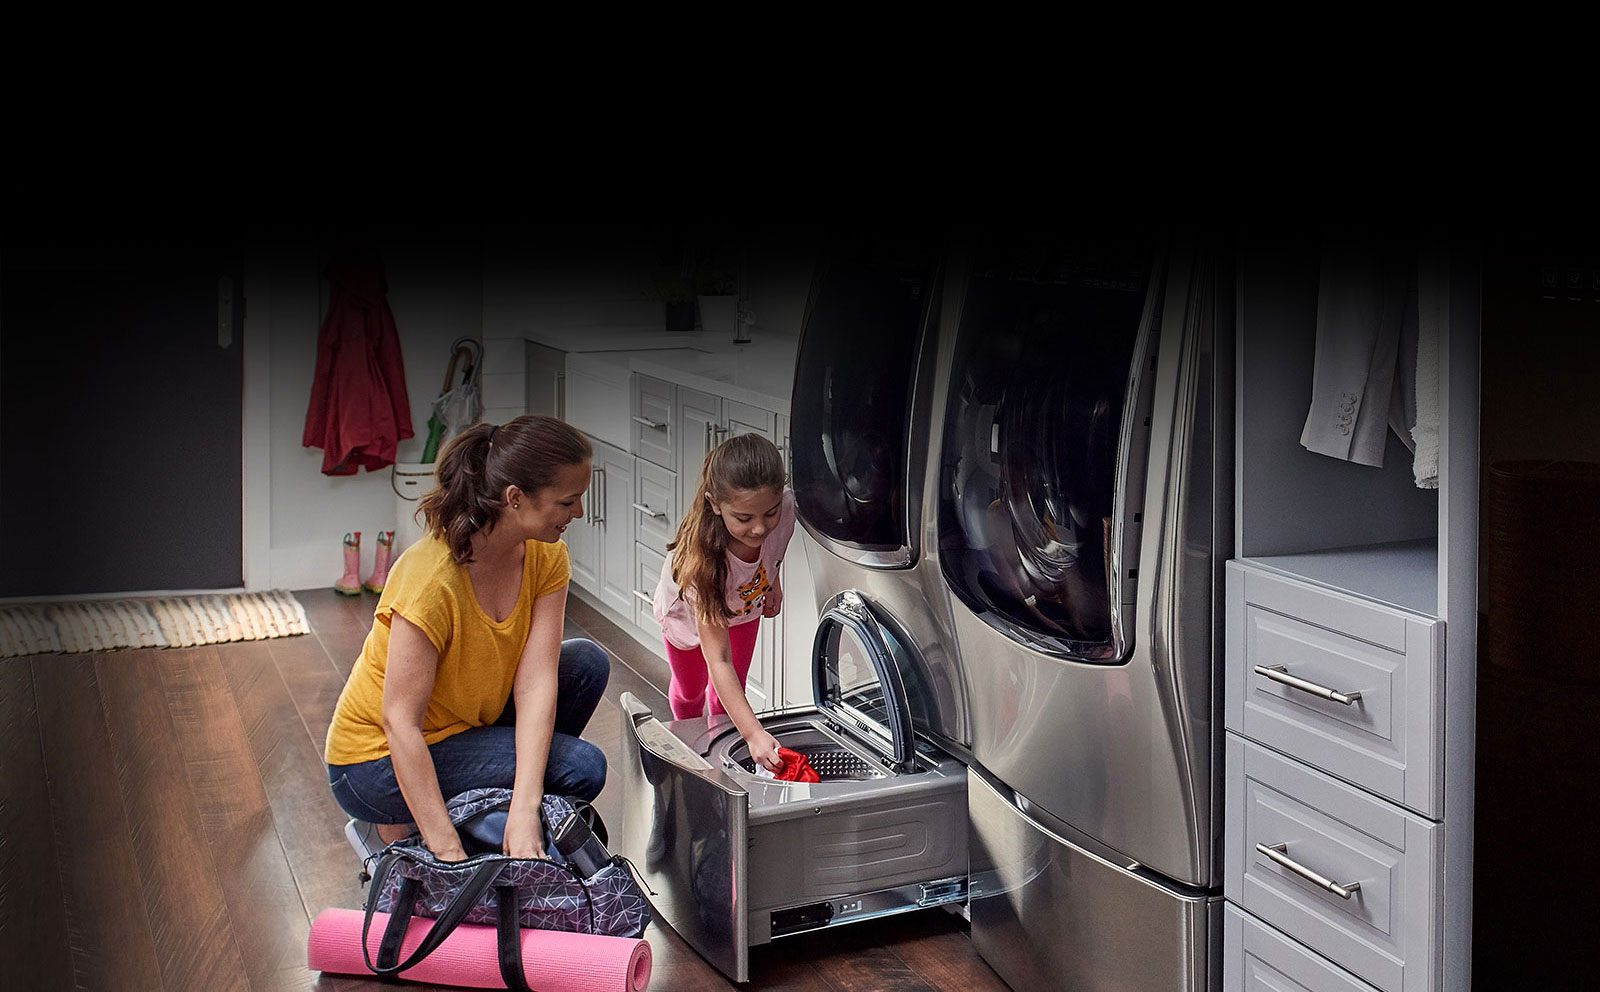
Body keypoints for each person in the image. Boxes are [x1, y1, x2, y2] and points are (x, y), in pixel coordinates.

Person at [324, 415, 608, 862]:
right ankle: (393, 833)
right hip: (374, 762)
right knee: (580, 768)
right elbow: (400, 723)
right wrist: (447, 854)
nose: (579, 513)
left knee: (587, 664)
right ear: (515, 498)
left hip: (463, 726)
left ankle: (491, 810)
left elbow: (535, 681)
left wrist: (524, 807)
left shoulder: (545, 553)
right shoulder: (430, 580)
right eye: (568, 501)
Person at [652, 433, 795, 772]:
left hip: (745, 606)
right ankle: (686, 746)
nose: (760, 528)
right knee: (690, 692)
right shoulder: (704, 568)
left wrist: (773, 581)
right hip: (687, 620)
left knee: (730, 693)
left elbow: (776, 548)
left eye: (769, 513)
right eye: (744, 519)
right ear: (715, 505)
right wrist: (755, 733)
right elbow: (718, 660)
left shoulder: (786, 507)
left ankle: (720, 760)